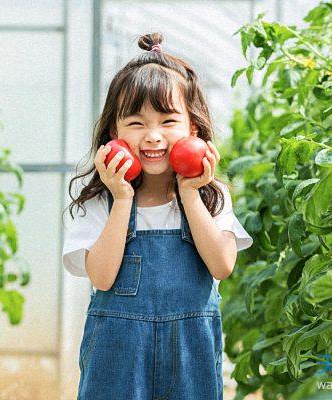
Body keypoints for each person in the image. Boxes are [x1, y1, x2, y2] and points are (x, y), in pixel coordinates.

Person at [62, 32, 253, 400]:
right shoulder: (99, 200)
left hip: (189, 357)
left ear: (192, 129)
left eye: (168, 121)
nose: (152, 137)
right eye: (135, 123)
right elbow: (101, 278)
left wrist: (189, 193)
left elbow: (222, 265)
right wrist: (121, 199)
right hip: (117, 358)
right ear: (113, 132)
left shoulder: (211, 198)